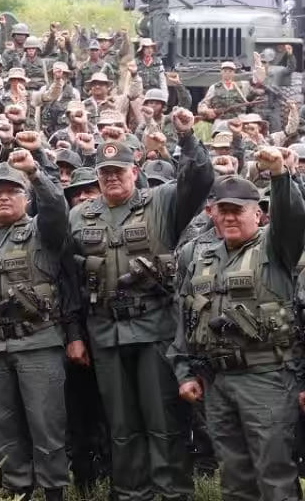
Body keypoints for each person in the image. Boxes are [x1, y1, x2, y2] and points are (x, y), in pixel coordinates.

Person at [68, 108, 209, 501]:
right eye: (105, 171)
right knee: (121, 422)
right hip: (105, 332)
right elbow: (69, 278)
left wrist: (186, 137)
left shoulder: (161, 201)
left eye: (120, 169)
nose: (112, 176)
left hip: (154, 328)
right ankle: (130, 492)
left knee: (163, 418)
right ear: (97, 176)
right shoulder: (80, 215)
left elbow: (199, 180)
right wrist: (76, 333)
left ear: (135, 170)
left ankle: (171, 492)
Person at [172, 165, 305, 501]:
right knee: (232, 476)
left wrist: (279, 176)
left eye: (238, 211)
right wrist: (184, 371)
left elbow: (291, 217)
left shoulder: (277, 249)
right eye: (223, 211)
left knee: (273, 473)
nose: (229, 218)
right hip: (217, 383)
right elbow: (186, 319)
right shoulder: (200, 259)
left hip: (268, 378)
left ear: (258, 214)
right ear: (212, 214)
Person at [0, 145, 83, 500]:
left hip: (38, 342)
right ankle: (18, 489)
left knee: (46, 424)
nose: (1, 198)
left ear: (25, 198)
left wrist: (33, 174)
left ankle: (53, 491)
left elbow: (56, 210)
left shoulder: (43, 232)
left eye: (10, 191)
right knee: (4, 426)